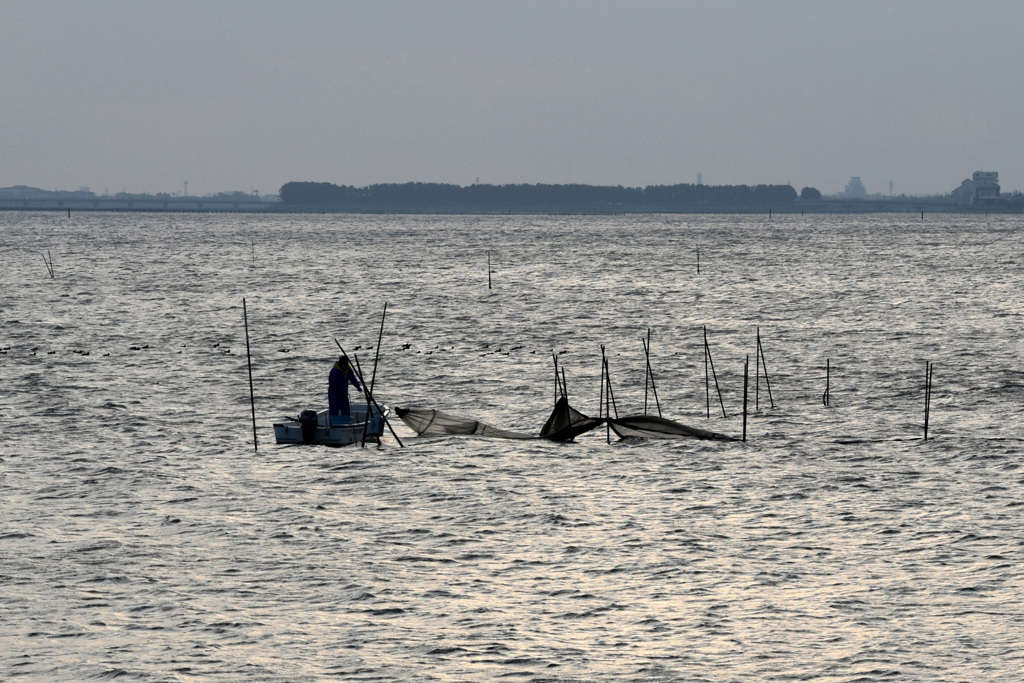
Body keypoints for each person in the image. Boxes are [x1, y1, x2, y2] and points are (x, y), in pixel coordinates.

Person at [328, 355, 361, 425]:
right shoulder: (334, 370)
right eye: (344, 364)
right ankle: (333, 426)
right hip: (334, 394)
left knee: (346, 411)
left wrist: (357, 386)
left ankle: (346, 425)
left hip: (344, 394)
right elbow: (331, 382)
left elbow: (353, 379)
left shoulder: (348, 370)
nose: (345, 366)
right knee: (334, 411)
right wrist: (341, 387)